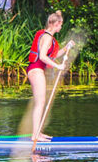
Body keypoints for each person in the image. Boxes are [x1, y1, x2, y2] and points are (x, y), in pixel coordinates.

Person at [26, 11, 69, 142]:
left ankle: (38, 133)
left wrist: (66, 48)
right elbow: (43, 57)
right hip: (36, 70)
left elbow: (52, 56)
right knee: (40, 103)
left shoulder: (46, 36)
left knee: (41, 102)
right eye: (61, 24)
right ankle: (35, 135)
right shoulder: (48, 37)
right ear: (57, 24)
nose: (61, 27)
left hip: (36, 69)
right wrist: (58, 67)